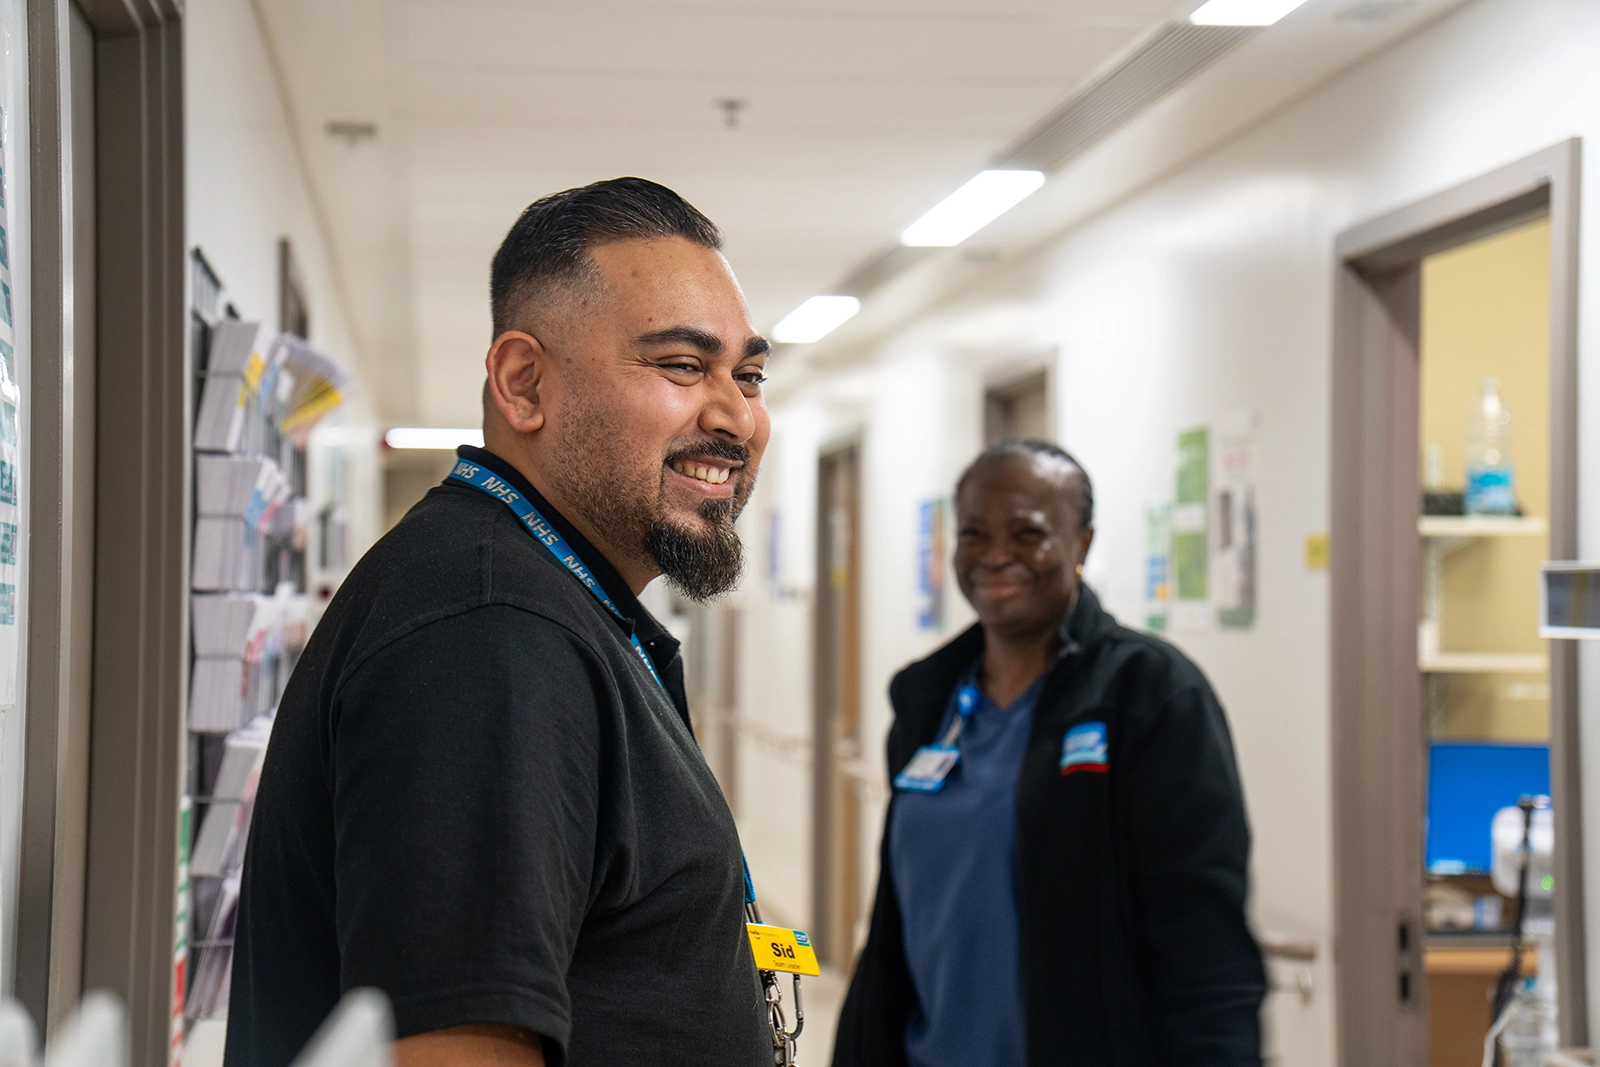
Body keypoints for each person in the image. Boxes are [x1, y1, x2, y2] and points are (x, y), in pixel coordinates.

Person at [226, 178, 775, 1067]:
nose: (736, 416)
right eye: (681, 365)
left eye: (748, 374)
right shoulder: (490, 631)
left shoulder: (552, 600)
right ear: (523, 383)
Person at [832, 439, 1266, 1067]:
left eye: (1028, 533)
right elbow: (897, 928)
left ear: (1082, 543)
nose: (996, 555)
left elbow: (1205, 949)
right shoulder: (928, 703)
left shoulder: (1150, 697)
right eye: (975, 532)